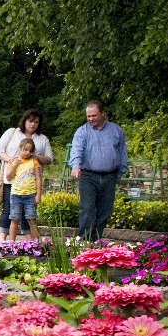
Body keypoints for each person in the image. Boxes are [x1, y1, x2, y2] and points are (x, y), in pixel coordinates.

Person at [69, 100, 128, 240]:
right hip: (88, 176)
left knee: (104, 211)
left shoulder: (116, 130)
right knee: (87, 208)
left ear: (102, 113)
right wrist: (76, 166)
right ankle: (84, 241)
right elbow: (77, 150)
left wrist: (120, 172)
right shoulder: (82, 131)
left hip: (109, 176)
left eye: (94, 116)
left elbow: (122, 152)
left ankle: (96, 241)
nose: (90, 119)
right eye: (88, 116)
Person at [0, 109, 53, 241]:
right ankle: (4, 239)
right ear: (24, 121)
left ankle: (29, 239)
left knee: (29, 213)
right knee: (9, 209)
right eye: (30, 121)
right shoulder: (12, 133)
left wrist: (35, 156)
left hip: (30, 183)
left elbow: (49, 159)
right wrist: (10, 159)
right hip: (12, 179)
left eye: (36, 122)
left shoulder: (42, 139)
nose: (33, 124)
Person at [4, 137, 42, 240]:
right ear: (20, 148)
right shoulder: (13, 161)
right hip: (16, 195)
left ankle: (36, 243)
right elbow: (8, 177)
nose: (27, 153)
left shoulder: (34, 162)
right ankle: (11, 244)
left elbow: (38, 179)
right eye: (25, 150)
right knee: (14, 219)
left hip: (30, 195)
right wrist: (14, 166)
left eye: (30, 151)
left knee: (31, 219)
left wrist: (38, 195)